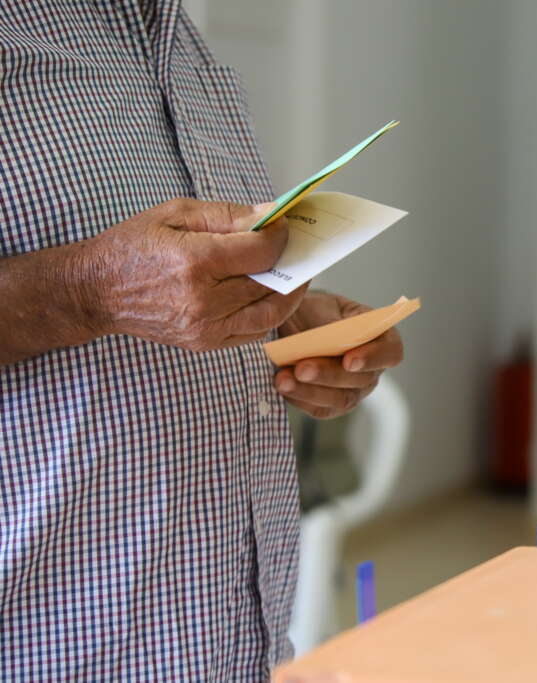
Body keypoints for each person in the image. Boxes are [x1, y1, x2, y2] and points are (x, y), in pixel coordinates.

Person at [0, 2, 403, 679]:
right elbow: (116, 285)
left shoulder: (179, 41)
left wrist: (282, 325)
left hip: (232, 647)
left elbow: (178, 285)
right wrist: (84, 290)